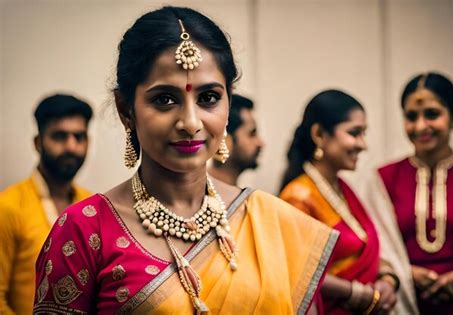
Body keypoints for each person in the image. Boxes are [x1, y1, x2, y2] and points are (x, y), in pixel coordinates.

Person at [33, 6, 338, 314]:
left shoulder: (268, 220)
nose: (190, 122)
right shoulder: (83, 231)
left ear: (228, 103)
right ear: (126, 110)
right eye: (165, 99)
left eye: (208, 98)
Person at [280, 90, 398, 315]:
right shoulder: (299, 197)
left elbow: (366, 249)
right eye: (355, 133)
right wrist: (357, 294)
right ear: (319, 134)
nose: (363, 145)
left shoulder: (343, 189)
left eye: (364, 133)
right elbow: (300, 272)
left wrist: (388, 279)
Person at [365, 72, 453, 314]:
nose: (421, 126)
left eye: (432, 114)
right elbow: (374, 247)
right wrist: (407, 273)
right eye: (411, 117)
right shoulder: (384, 179)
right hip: (402, 304)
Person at [0, 94, 93, 315]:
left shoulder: (91, 207)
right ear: (38, 142)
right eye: (59, 136)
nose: (71, 146)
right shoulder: (8, 207)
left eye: (79, 136)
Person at [208, 94, 264, 185]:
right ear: (224, 141)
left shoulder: (241, 197)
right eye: (252, 134)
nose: (260, 143)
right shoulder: (202, 196)